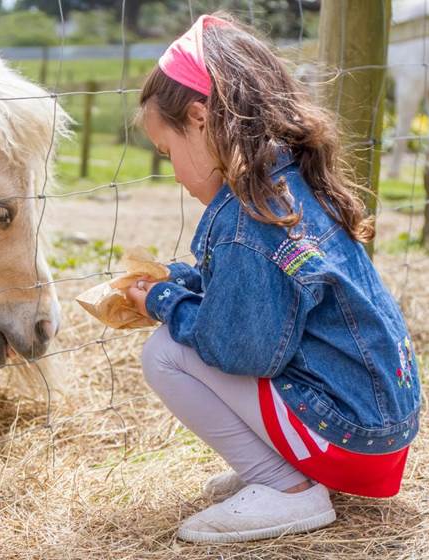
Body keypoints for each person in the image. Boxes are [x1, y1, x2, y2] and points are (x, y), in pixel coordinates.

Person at [126, 12, 421, 544]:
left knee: (164, 352)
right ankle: (282, 465)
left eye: (167, 152)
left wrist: (164, 301)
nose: (171, 171)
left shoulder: (248, 220)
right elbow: (267, 304)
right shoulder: (295, 186)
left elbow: (240, 349)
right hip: (382, 431)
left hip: (349, 442)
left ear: (198, 118)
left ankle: (284, 487)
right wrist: (189, 280)